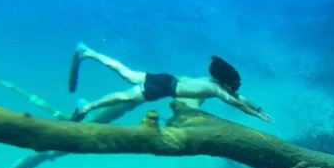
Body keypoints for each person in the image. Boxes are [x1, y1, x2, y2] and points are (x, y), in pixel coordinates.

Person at [67, 43, 274, 123]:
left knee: (125, 72)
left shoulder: (214, 82)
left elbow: (241, 99)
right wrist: (258, 116)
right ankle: (86, 107)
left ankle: (88, 53)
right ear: (228, 83)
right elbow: (236, 103)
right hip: (163, 88)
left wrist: (259, 109)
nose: (237, 89)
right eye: (235, 85)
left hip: (166, 78)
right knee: (121, 97)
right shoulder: (216, 89)